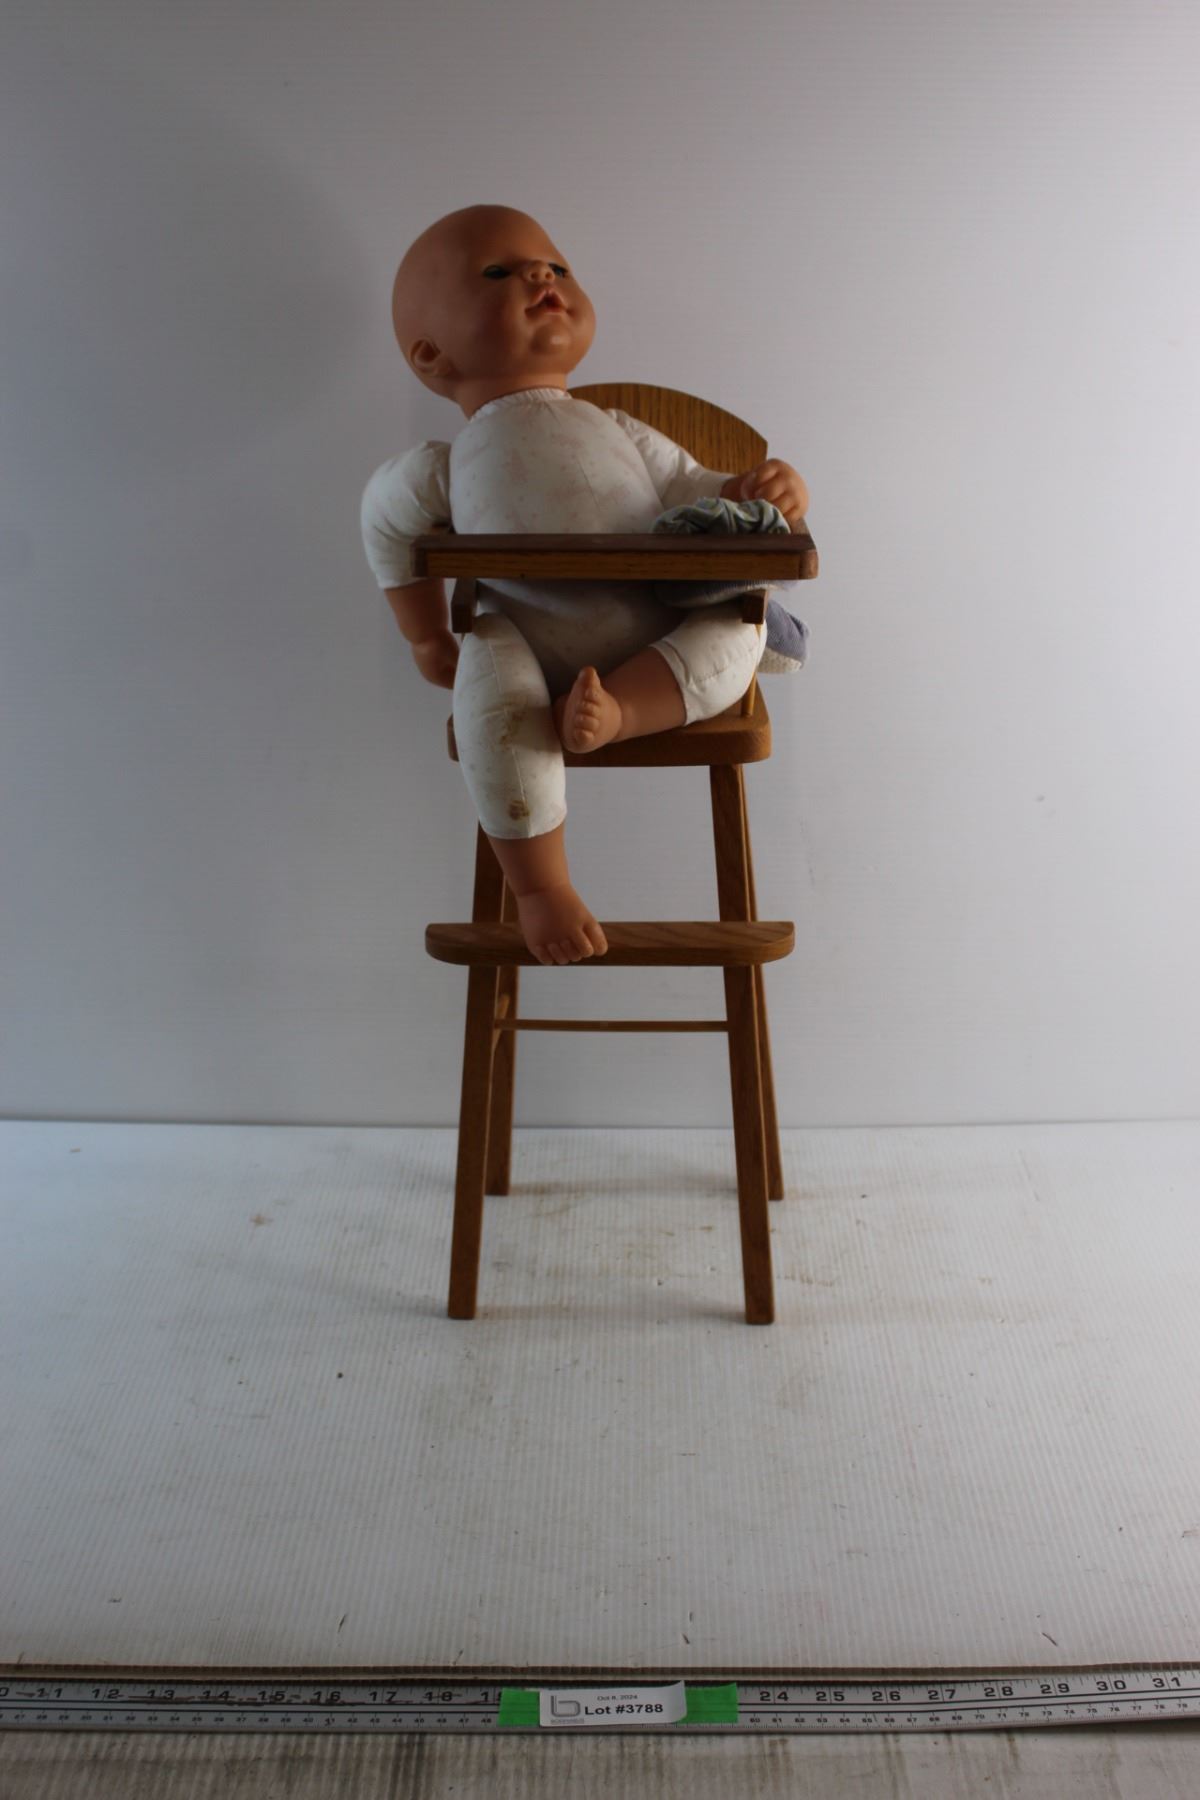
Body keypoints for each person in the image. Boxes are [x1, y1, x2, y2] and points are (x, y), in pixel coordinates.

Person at [360, 205, 809, 966]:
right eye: (498, 273)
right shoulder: (445, 464)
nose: (541, 274)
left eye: (556, 267)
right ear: (432, 356)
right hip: (523, 637)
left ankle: (620, 712)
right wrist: (427, 634)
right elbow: (388, 527)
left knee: (740, 627)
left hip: (657, 630)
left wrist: (761, 490)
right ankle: (541, 889)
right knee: (489, 702)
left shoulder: (617, 428)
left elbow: (695, 489)